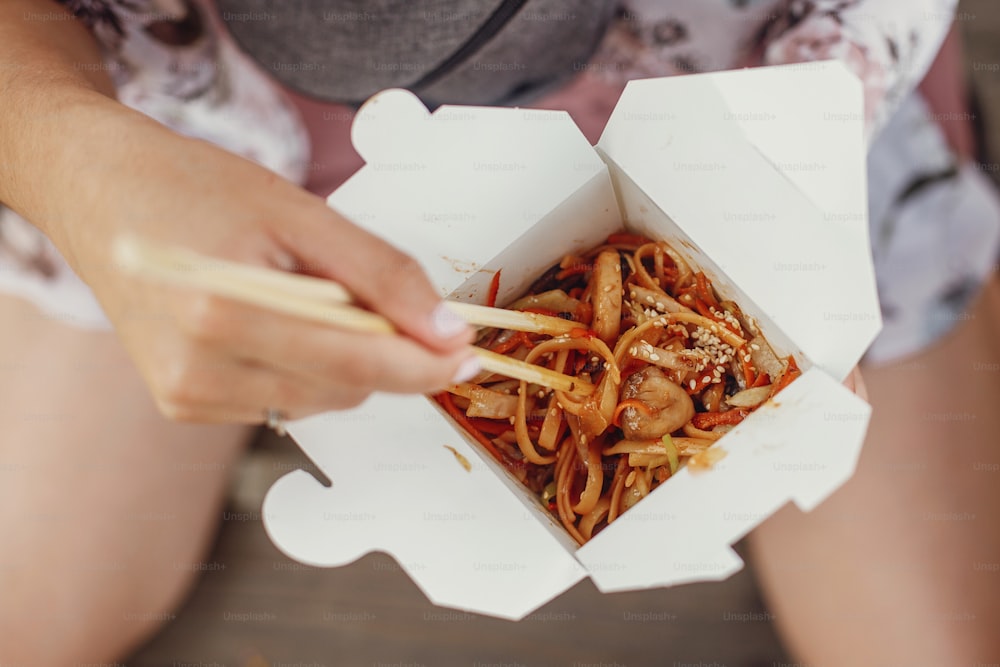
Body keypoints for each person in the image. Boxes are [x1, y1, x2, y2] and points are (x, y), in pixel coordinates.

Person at [0, 0, 996, 663]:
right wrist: (70, 160)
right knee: (31, 618)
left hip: (745, 98)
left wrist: (809, 122)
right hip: (177, 128)